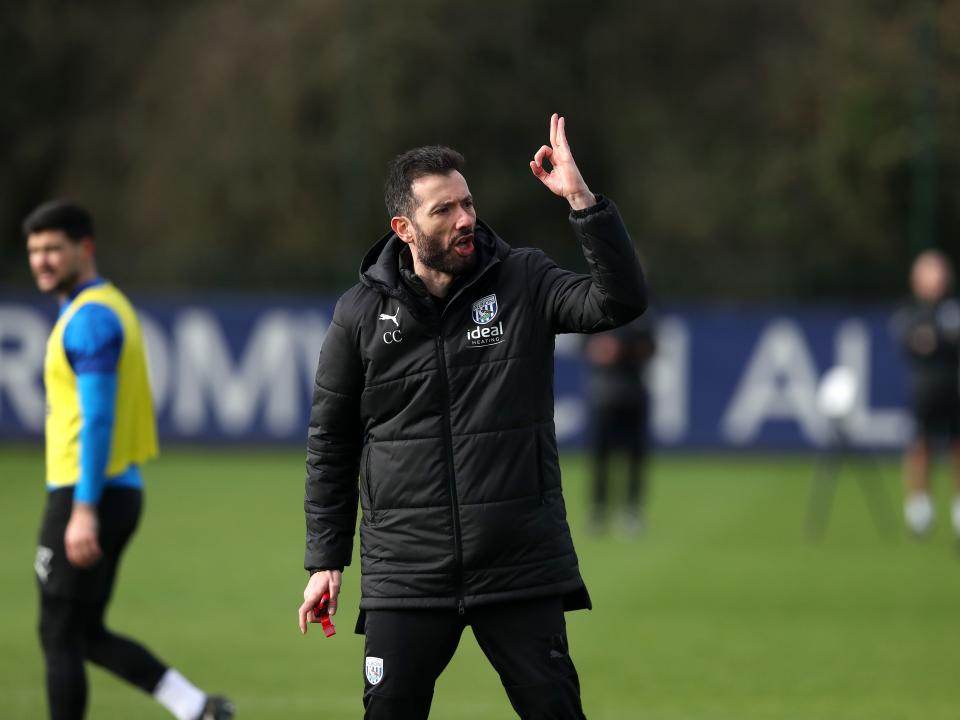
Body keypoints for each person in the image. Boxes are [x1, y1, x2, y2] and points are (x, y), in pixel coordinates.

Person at [297, 114, 647, 718]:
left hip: (518, 564)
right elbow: (332, 440)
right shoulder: (358, 315)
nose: (465, 220)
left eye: (467, 203)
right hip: (406, 571)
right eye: (444, 211)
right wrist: (326, 558)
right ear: (403, 228)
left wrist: (582, 202)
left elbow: (619, 301)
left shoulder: (525, 280)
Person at [25, 200, 234, 720]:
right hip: (119, 487)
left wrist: (83, 508)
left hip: (86, 491)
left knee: (58, 634)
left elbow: (97, 419)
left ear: (84, 248)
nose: (42, 261)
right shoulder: (108, 304)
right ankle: (195, 707)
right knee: (83, 631)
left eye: (53, 248)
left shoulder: (90, 319)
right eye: (34, 251)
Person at [893, 249, 960, 537]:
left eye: (939, 271)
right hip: (924, 390)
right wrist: (936, 340)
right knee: (920, 446)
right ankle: (919, 510)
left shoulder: (953, 308)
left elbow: (938, 342)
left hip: (954, 387)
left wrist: (935, 340)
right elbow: (914, 343)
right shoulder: (910, 312)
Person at [583, 311, 656, 534]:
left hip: (634, 395)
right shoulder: (597, 313)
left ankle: (632, 510)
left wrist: (621, 349)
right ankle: (599, 509)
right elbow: (590, 348)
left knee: (635, 455)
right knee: (601, 456)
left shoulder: (640, 315)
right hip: (605, 395)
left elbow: (650, 348)